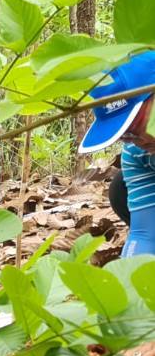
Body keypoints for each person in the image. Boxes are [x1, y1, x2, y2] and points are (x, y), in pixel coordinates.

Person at [77, 50, 155, 257]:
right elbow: (143, 234)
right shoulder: (137, 152)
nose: (137, 140)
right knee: (120, 190)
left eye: (136, 124)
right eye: (124, 135)